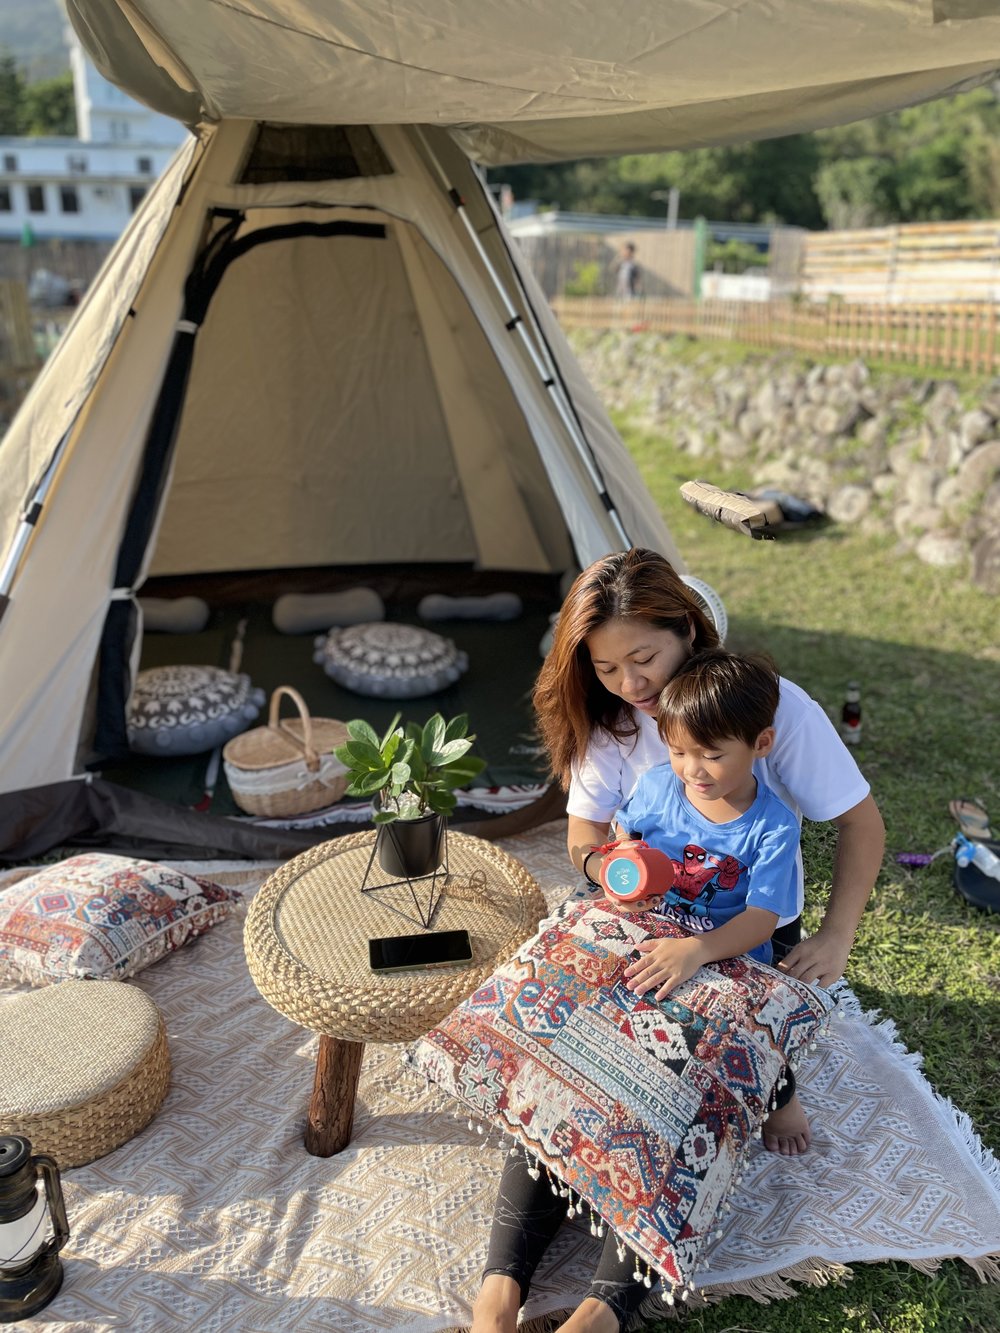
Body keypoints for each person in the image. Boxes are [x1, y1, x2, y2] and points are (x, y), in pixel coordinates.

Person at [471, 548, 884, 1333]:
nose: (630, 683)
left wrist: (836, 936)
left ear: (688, 631)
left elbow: (859, 824)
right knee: (561, 1070)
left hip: (740, 931)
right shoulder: (622, 734)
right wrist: (612, 866)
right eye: (606, 667)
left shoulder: (766, 711)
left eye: (643, 658)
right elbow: (588, 836)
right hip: (639, 914)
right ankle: (497, 1293)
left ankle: (602, 1310)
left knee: (677, 1104)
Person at [609, 647, 801, 998]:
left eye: (712, 755)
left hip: (726, 954)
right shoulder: (656, 786)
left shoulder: (774, 827)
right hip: (651, 925)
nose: (692, 770)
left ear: (761, 743)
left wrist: (697, 950)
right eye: (678, 752)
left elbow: (761, 920)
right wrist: (626, 869)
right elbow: (625, 834)